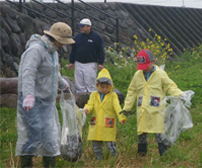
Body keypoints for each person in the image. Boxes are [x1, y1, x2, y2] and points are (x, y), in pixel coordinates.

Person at [16, 22, 75, 167]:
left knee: (50, 137)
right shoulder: (36, 50)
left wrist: (62, 83)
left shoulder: (52, 51)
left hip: (47, 101)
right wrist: (29, 95)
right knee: (30, 137)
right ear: (56, 38)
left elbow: (53, 70)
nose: (63, 45)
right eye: (63, 41)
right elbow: (28, 72)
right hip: (32, 102)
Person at [121, 49, 184, 157]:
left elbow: (170, 86)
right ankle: (141, 154)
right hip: (143, 110)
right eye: (141, 67)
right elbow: (132, 91)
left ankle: (164, 155)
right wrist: (126, 108)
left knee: (159, 132)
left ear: (153, 61)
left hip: (157, 110)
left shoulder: (160, 74)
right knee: (142, 133)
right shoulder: (137, 75)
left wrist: (180, 94)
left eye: (146, 66)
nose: (144, 69)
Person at [84, 68, 127, 160]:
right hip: (96, 123)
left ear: (110, 86)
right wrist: (86, 109)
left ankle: (114, 158)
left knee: (109, 142)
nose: (104, 89)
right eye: (102, 87)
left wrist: (121, 117)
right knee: (95, 142)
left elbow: (117, 106)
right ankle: (98, 158)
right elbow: (90, 104)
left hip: (107, 123)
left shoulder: (113, 95)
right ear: (97, 86)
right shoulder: (94, 95)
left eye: (107, 87)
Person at [69, 18, 105, 93]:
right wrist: (71, 62)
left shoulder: (97, 38)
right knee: (79, 84)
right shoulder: (77, 37)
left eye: (83, 26)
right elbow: (73, 50)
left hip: (90, 63)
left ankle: (91, 98)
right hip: (78, 63)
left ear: (89, 27)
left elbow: (100, 51)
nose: (81, 28)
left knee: (90, 83)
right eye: (80, 26)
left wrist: (101, 63)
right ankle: (80, 99)